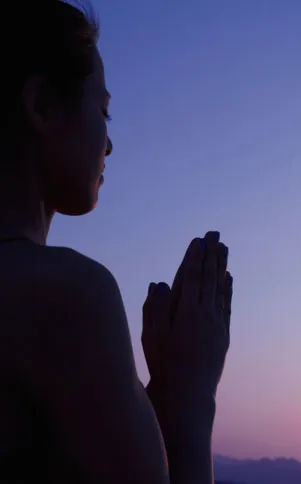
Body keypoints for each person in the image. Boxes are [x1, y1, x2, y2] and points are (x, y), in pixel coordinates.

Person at [0, 1, 233, 483]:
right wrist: (190, 394)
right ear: (41, 106)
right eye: (104, 111)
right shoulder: (67, 296)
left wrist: (162, 393)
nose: (109, 144)